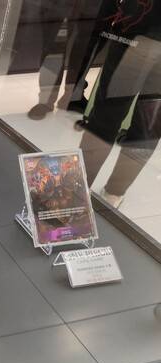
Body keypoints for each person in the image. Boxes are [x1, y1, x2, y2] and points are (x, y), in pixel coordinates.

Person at [78, 0, 161, 207]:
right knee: (148, 124)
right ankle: (114, 193)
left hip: (137, 31)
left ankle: (78, 190)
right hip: (138, 28)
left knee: (107, 115)